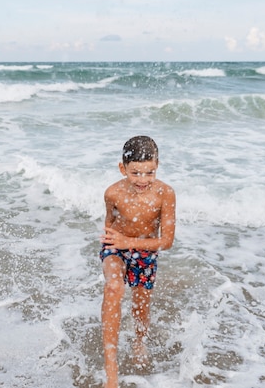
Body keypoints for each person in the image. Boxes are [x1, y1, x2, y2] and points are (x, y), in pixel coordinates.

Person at [99, 136, 176, 388]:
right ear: (123, 168)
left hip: (145, 249)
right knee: (113, 287)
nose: (143, 179)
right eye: (136, 173)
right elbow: (109, 222)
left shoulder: (165, 194)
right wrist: (115, 243)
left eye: (149, 172)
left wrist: (128, 242)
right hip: (116, 247)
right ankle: (111, 372)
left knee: (140, 307)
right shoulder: (112, 192)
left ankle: (139, 340)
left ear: (158, 165)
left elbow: (166, 241)